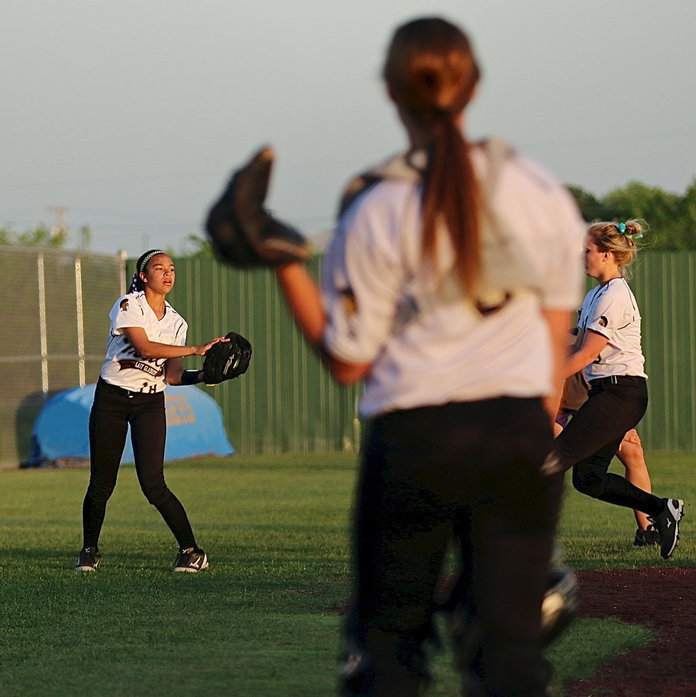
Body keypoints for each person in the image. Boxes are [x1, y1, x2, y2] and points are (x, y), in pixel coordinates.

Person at [209, 16, 585, 696]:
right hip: (519, 438)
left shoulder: (377, 206)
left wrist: (284, 261)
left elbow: (349, 362)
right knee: (511, 662)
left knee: (386, 652)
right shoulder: (540, 192)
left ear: (391, 91)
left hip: (417, 438)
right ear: (474, 87)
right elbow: (550, 360)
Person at [75, 249, 228, 574]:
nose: (168, 273)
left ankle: (192, 552)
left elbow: (171, 376)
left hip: (149, 403)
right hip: (112, 400)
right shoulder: (129, 305)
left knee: (154, 484)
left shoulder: (176, 322)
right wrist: (197, 349)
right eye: (159, 268)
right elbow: (144, 348)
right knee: (102, 483)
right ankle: (89, 550)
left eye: (172, 268)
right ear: (144, 276)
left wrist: (203, 374)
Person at [550, 220, 685, 560]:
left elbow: (587, 353)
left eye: (587, 251)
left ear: (607, 254)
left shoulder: (615, 296)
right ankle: (662, 509)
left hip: (621, 394)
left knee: (552, 459)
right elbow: (575, 341)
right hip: (607, 395)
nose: (582, 257)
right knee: (588, 479)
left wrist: (544, 382)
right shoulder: (596, 293)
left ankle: (518, 546)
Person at [556, 369, 659, 546]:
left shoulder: (599, 350)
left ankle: (647, 531)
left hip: (591, 398)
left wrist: (615, 423)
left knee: (633, 451)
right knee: (551, 462)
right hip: (555, 400)